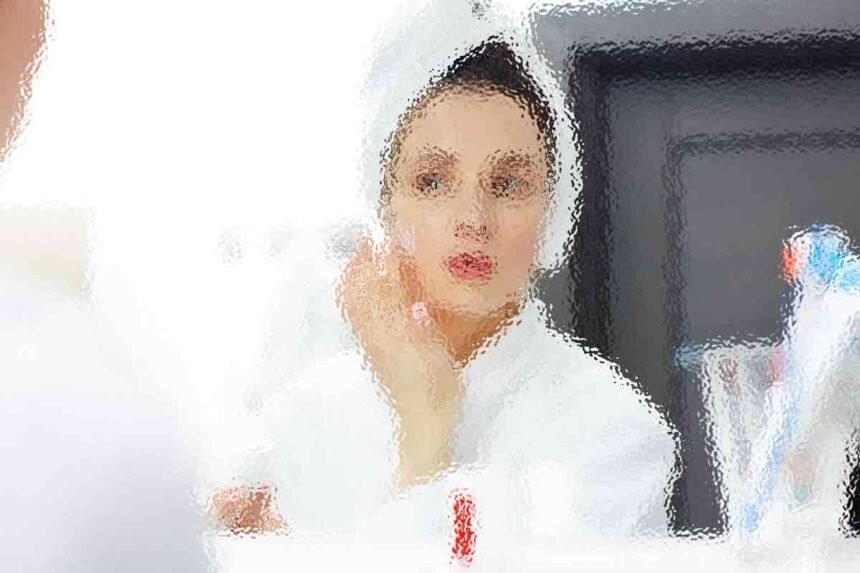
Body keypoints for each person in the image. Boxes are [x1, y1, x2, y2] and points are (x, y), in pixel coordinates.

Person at [207, 0, 678, 563]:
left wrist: (425, 438)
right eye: (432, 181)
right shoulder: (303, 422)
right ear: (384, 202)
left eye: (508, 184)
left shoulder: (611, 432)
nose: (473, 219)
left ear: (552, 209)